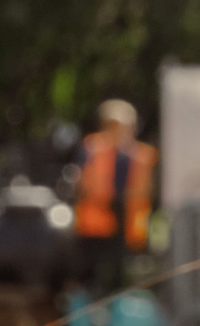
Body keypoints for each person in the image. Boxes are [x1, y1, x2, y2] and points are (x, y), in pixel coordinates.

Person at [71, 100, 155, 298]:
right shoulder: (91, 149)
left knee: (122, 281)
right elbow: (80, 183)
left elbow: (148, 192)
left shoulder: (141, 155)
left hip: (127, 228)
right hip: (96, 229)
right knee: (93, 280)